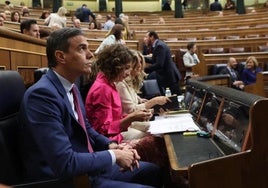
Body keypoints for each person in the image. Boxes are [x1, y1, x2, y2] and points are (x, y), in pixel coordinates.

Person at [19, 27, 163, 188]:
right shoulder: (42, 95)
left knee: (153, 171)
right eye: (82, 48)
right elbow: (65, 162)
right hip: (71, 180)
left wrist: (111, 145)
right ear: (61, 56)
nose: (90, 54)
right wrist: (114, 155)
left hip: (87, 167)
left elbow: (86, 128)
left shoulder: (72, 87)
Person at [86, 44, 153, 142]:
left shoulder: (110, 83)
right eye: (126, 68)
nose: (128, 73)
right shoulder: (103, 89)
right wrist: (131, 118)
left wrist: (134, 116)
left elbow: (115, 118)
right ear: (115, 66)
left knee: (152, 132)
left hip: (114, 134)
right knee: (150, 139)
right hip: (107, 141)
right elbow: (102, 130)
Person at [116, 50, 170, 115]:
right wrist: (154, 101)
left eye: (141, 62)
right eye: (136, 62)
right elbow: (131, 111)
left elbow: (136, 104)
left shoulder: (130, 83)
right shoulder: (121, 84)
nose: (139, 65)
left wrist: (154, 110)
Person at [144, 31, 182, 96]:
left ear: (152, 37)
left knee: (176, 99)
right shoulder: (158, 44)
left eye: (146, 37)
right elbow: (154, 60)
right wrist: (142, 58)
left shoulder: (159, 46)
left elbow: (159, 64)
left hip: (170, 77)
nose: (144, 39)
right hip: (167, 76)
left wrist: (144, 70)